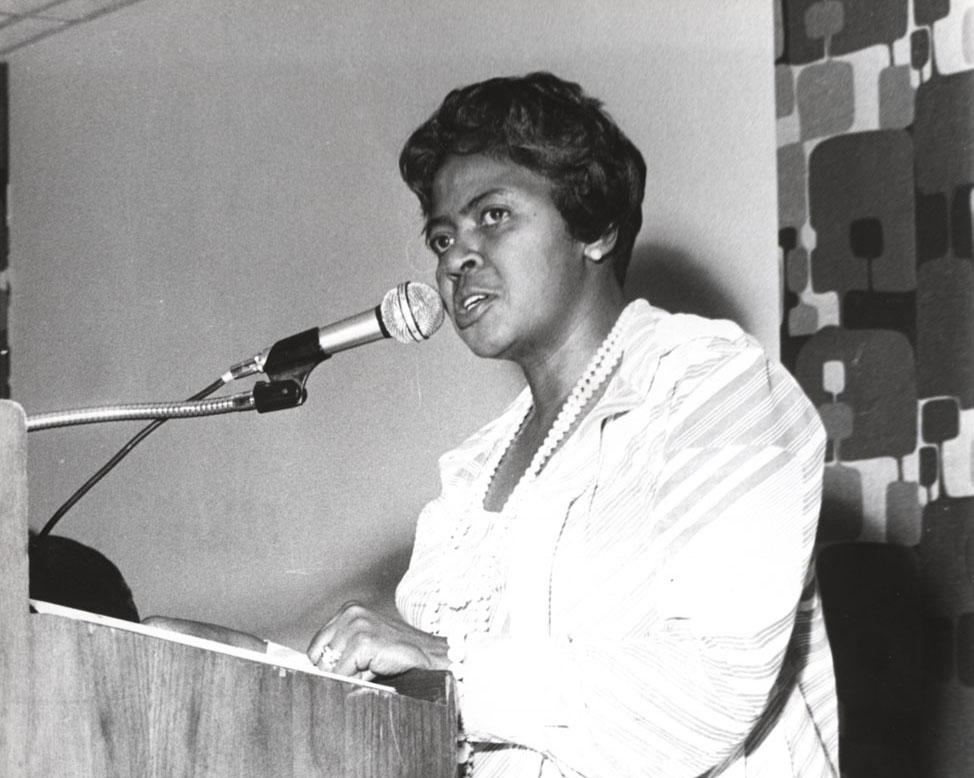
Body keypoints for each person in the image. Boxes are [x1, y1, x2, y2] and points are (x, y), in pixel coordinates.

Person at [305, 72, 839, 777]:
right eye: (441, 237)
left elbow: (707, 692)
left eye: (492, 215)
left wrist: (446, 665)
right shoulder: (471, 474)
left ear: (595, 228)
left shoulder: (712, 384)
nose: (456, 257)